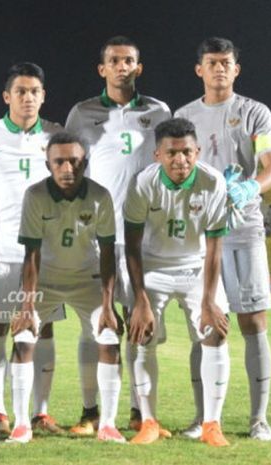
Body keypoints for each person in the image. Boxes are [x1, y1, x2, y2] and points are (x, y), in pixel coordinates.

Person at [175, 37, 271, 442]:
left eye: (226, 63)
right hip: (200, 235)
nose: (219, 68)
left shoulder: (255, 112)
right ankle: (203, 419)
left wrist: (248, 189)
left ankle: (259, 420)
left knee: (253, 322)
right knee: (204, 326)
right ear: (199, 69)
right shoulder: (184, 116)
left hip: (244, 228)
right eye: (212, 62)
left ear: (236, 70)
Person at [65, 35, 171, 434]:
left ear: (138, 68)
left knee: (141, 322)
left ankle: (138, 412)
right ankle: (91, 412)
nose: (122, 66)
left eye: (129, 60)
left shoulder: (158, 111)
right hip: (97, 231)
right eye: (114, 60)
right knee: (96, 321)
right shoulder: (82, 113)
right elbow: (72, 167)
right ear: (102, 68)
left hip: (146, 232)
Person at [125, 117, 231, 447]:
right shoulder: (143, 183)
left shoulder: (213, 183)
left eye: (187, 152)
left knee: (214, 333)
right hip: (153, 266)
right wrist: (140, 300)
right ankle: (149, 422)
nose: (180, 160)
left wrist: (209, 301)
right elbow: (131, 245)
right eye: (172, 153)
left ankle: (212, 423)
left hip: (196, 266)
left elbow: (214, 247)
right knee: (143, 336)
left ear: (197, 152)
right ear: (157, 154)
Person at [0, 62, 63, 437]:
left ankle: (41, 412)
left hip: (44, 249)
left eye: (34, 91)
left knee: (45, 328)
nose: (28, 98)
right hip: (1, 246)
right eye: (20, 91)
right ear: (7, 96)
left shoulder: (56, 136)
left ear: (43, 96)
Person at [16, 131, 124, 443]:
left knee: (108, 336)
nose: (67, 168)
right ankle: (22, 423)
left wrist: (108, 305)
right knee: (24, 337)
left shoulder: (100, 196)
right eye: (59, 161)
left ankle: (107, 424)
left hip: (86, 279)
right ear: (48, 164)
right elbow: (31, 255)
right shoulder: (35, 195)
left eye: (74, 161)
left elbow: (107, 253)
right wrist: (26, 306)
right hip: (46, 279)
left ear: (84, 163)